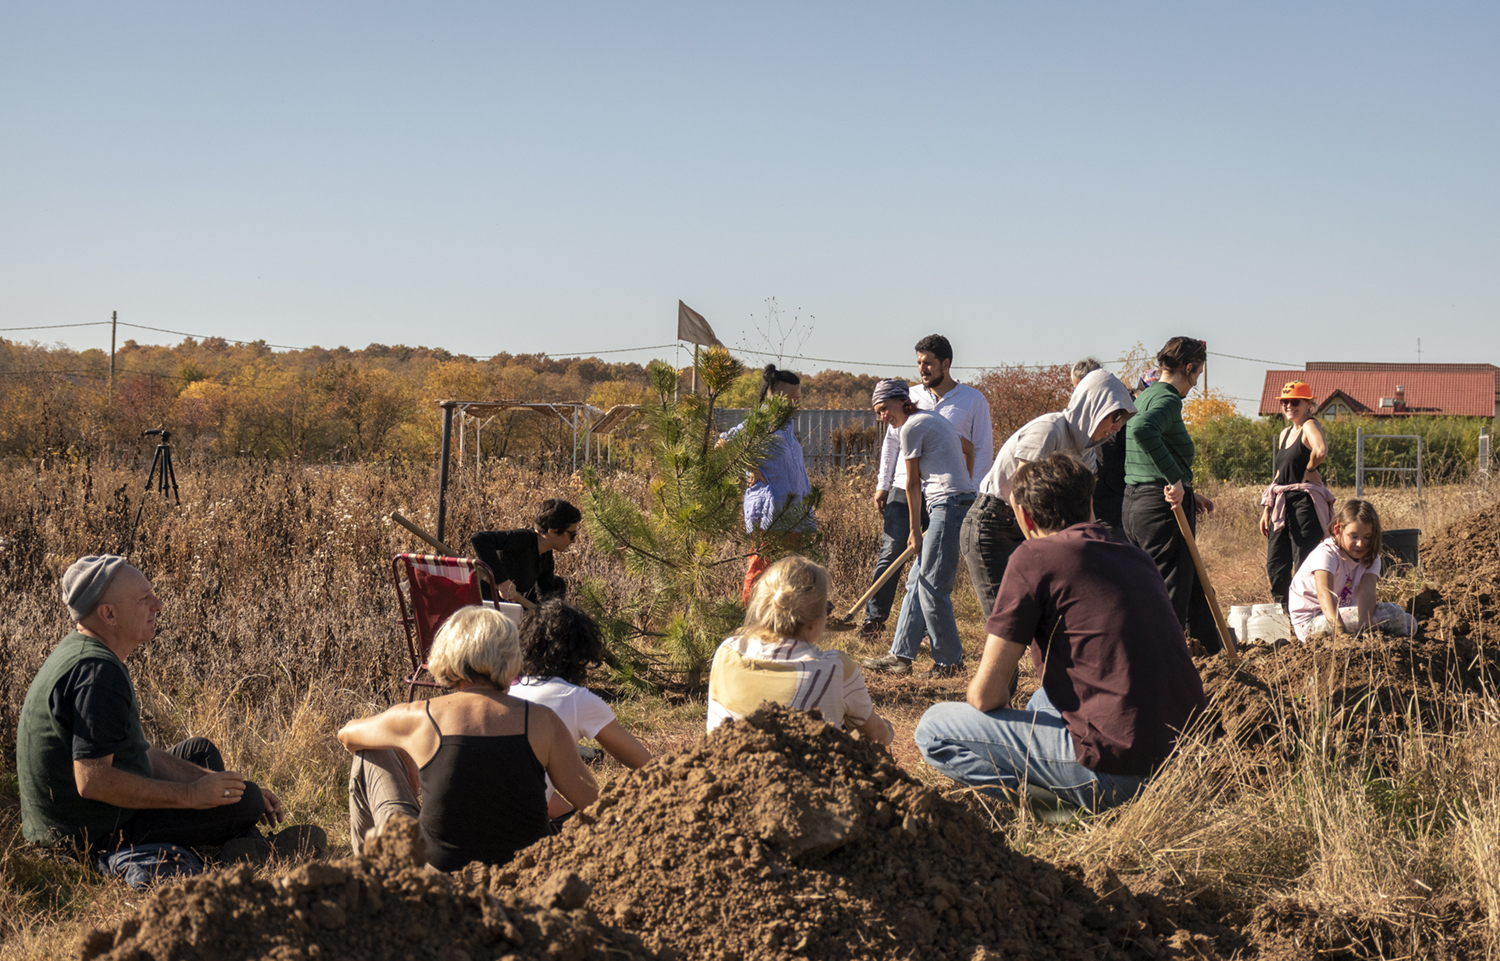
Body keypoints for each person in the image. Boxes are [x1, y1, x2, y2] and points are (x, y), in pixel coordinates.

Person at [915, 453, 1207, 812]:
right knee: (1041, 701)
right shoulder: (1135, 556)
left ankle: (1060, 811)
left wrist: (994, 706)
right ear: (1089, 505)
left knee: (933, 729)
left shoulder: (1034, 557)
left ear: (1024, 516)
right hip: (1186, 760)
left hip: (1118, 771)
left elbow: (984, 696)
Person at [17, 556, 295, 887]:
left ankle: (244, 843)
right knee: (247, 801)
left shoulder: (82, 649)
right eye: (143, 598)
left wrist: (219, 784)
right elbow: (93, 781)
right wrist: (191, 795)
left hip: (84, 817)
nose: (158, 605)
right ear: (108, 614)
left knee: (201, 753)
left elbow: (139, 754)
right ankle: (249, 847)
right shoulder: (97, 674)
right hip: (89, 835)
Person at [340, 605, 597, 871]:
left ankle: (372, 884)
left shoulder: (417, 717)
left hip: (436, 882)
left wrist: (402, 744)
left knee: (370, 749)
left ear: (446, 654)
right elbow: (593, 804)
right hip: (524, 875)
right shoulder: (544, 721)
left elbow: (347, 735)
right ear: (512, 659)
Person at [961, 368, 1136, 620]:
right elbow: (1019, 496)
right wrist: (1040, 552)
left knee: (1044, 620)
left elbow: (1085, 513)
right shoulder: (1049, 430)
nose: (1117, 427)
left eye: (1122, 419)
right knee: (1009, 622)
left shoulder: (1087, 454)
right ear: (1093, 407)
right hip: (993, 526)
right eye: (1115, 416)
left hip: (1031, 528)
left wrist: (1098, 551)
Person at [859, 334, 993, 638]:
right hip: (904, 487)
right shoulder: (907, 397)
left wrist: (970, 491)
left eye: (928, 363)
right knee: (891, 551)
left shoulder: (973, 400)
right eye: (919, 362)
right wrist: (882, 483)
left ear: (946, 363)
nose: (922, 368)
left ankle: (917, 628)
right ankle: (873, 619)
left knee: (930, 563)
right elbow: (891, 444)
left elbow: (981, 448)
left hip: (945, 495)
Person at [707, 555, 893, 744]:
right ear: (814, 620)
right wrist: (887, 729)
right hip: (805, 762)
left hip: (725, 760)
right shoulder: (836, 668)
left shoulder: (726, 651)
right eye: (827, 610)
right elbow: (877, 736)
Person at [861, 378, 975, 678]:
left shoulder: (911, 427)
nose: (883, 416)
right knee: (916, 582)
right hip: (951, 502)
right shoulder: (932, 418)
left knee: (932, 587)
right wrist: (965, 484)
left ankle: (950, 662)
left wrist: (914, 530)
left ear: (903, 401)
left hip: (947, 506)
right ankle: (900, 656)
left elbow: (912, 484)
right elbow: (968, 448)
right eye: (878, 412)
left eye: (885, 408)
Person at [511, 601, 652, 820]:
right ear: (582, 654)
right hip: (522, 829)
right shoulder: (576, 699)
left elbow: (530, 784)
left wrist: (571, 817)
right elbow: (646, 765)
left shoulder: (508, 690)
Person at [1123, 337, 1220, 651]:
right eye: (1198, 374)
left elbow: (1146, 445)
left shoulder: (1146, 395)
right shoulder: (1167, 399)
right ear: (1189, 368)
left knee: (1186, 584)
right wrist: (1175, 480)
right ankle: (1163, 664)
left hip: (1135, 503)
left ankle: (1211, 652)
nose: (1196, 383)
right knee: (1169, 595)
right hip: (1161, 508)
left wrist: (1187, 488)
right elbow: (1143, 430)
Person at [723, 364, 814, 604]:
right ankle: (750, 618)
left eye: (799, 398)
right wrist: (750, 468)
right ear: (778, 397)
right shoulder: (760, 422)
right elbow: (724, 443)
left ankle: (779, 619)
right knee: (761, 569)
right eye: (793, 398)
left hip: (793, 510)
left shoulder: (787, 426)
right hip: (769, 511)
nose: (797, 404)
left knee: (788, 572)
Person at [1288, 498, 1416, 642]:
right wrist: (1341, 632)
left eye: (1367, 537)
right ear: (1338, 530)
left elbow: (1367, 592)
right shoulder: (1327, 553)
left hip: (1343, 613)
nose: (1360, 543)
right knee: (1394, 614)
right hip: (1311, 621)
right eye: (1353, 537)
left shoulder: (1371, 558)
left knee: (1409, 623)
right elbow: (1325, 594)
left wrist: (1364, 627)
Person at [1261, 380, 1333, 611]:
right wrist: (1266, 509)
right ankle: (1284, 612)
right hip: (1281, 503)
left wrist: (1310, 469)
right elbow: (1280, 473)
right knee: (1275, 564)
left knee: (1303, 561)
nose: (1288, 406)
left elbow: (1321, 450)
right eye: (1284, 402)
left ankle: (1308, 612)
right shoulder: (1285, 433)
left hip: (1303, 504)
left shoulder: (1309, 425)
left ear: (1308, 404)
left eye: (1294, 402)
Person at [470, 499, 581, 605]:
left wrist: (552, 613)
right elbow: (479, 539)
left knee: (556, 585)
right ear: (552, 531)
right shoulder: (523, 539)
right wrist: (502, 582)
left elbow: (546, 594)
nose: (574, 540)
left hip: (508, 602)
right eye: (572, 535)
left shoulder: (545, 556)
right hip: (481, 600)